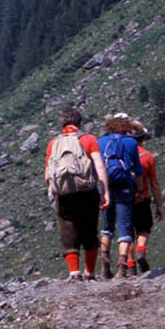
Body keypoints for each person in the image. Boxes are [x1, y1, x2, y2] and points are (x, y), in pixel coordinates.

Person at [44, 106, 110, 281]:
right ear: (79, 123)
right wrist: (105, 191)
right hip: (87, 192)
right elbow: (99, 166)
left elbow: (47, 174)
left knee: (68, 231)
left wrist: (53, 194)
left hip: (63, 195)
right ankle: (90, 273)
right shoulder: (88, 139)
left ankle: (74, 273)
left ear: (62, 123)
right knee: (89, 230)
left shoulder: (53, 143)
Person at [97, 109, 143, 278]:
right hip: (125, 186)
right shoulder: (131, 143)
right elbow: (138, 170)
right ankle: (122, 268)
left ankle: (104, 265)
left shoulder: (100, 142)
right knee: (124, 228)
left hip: (106, 187)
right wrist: (139, 190)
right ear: (126, 126)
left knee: (107, 227)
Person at [130, 120, 164, 273]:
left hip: (124, 199)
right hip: (142, 199)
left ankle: (130, 267)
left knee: (127, 233)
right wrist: (159, 206)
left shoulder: (121, 156)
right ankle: (141, 251)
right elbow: (154, 184)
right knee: (143, 229)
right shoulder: (147, 156)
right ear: (142, 138)